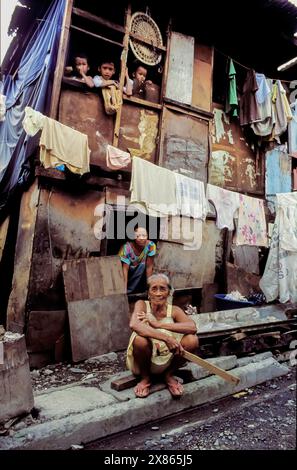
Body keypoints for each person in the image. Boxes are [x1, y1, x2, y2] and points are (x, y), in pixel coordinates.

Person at [127, 273, 198, 398]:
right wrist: (167, 338)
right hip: (144, 362)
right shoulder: (142, 305)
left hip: (166, 359)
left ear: (169, 292)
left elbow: (192, 327)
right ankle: (145, 378)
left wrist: (158, 324)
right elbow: (134, 324)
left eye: (163, 289)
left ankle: (168, 375)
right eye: (154, 289)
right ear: (148, 293)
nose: (158, 293)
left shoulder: (174, 310)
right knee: (139, 340)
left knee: (192, 340)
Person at [119, 226, 156, 294]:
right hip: (126, 275)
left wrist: (149, 287)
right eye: (138, 236)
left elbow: (149, 267)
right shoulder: (126, 248)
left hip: (139, 275)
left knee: (142, 265)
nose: (141, 238)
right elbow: (124, 270)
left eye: (144, 235)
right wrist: (123, 292)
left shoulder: (150, 246)